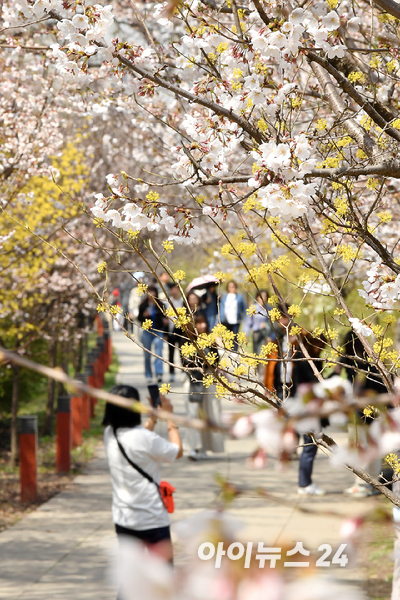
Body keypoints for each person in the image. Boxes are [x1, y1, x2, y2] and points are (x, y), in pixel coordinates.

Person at [103, 384, 182, 569]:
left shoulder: (110, 434)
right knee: (163, 579)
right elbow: (176, 452)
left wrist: (153, 420)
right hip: (152, 520)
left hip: (124, 519)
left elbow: (139, 440)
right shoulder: (145, 438)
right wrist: (170, 418)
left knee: (132, 582)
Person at [342, 330, 387, 497]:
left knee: (360, 448)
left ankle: (362, 484)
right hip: (376, 410)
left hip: (360, 412)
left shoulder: (355, 364)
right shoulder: (374, 361)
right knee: (374, 448)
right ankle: (373, 483)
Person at [182, 315, 225, 460]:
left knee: (209, 413)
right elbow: (185, 362)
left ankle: (205, 446)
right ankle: (193, 447)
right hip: (193, 380)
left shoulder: (210, 340)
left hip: (208, 379)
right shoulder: (188, 340)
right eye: (198, 323)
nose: (201, 326)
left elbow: (216, 362)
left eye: (203, 323)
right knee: (193, 413)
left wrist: (218, 345)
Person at [294, 333, 327, 496]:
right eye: (321, 345)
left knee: (309, 447)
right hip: (308, 409)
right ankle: (304, 483)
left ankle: (305, 482)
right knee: (309, 447)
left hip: (307, 407)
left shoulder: (307, 358)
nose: (322, 349)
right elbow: (312, 384)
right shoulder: (306, 360)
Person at [138, 286, 167, 383]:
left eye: (153, 292)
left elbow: (165, 319)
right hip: (147, 332)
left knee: (158, 353)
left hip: (158, 331)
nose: (151, 294)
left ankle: (159, 373)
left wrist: (165, 325)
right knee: (147, 354)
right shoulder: (143, 305)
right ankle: (148, 374)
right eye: (149, 292)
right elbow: (139, 318)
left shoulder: (160, 305)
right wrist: (144, 316)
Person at [219, 281, 246, 351]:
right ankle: (228, 349)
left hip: (236, 320)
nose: (231, 288)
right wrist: (218, 320)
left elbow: (244, 308)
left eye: (233, 287)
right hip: (226, 320)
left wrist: (246, 318)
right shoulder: (224, 297)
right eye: (230, 287)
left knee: (235, 336)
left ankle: (234, 351)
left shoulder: (239, 297)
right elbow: (221, 308)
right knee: (227, 336)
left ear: (235, 287)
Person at [166, 284, 184, 383]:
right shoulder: (167, 302)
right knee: (171, 353)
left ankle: (183, 371)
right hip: (170, 330)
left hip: (181, 330)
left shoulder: (183, 301)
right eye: (173, 290)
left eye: (176, 289)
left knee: (182, 352)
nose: (175, 292)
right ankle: (171, 373)